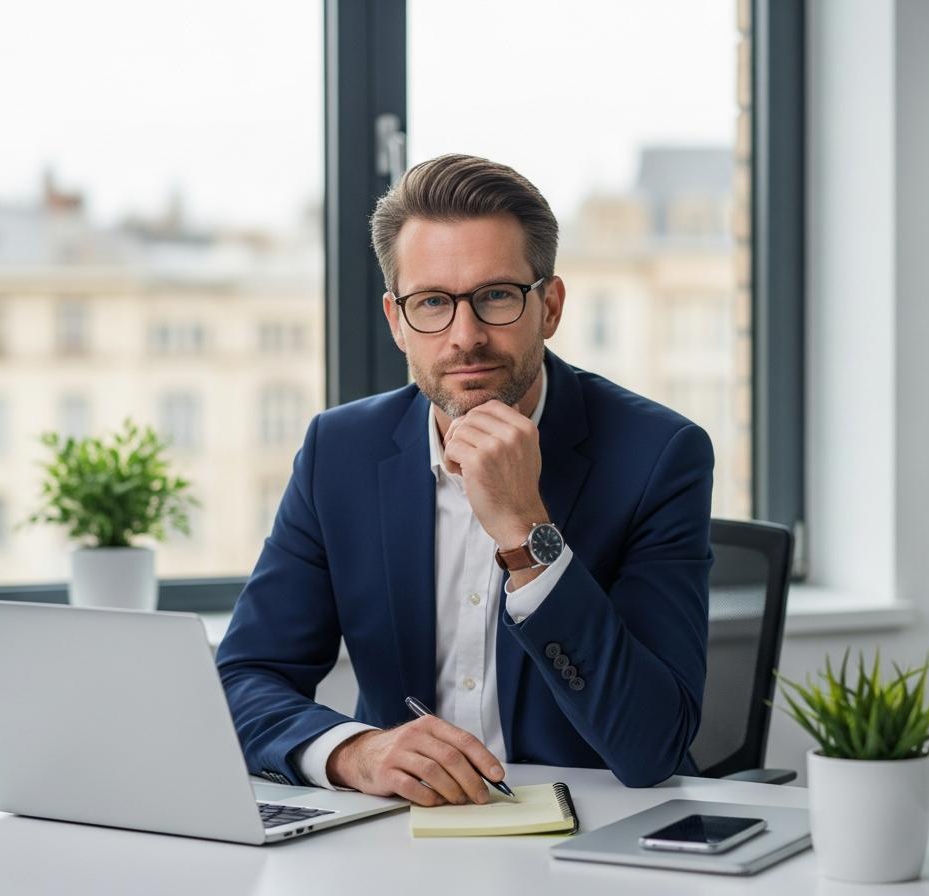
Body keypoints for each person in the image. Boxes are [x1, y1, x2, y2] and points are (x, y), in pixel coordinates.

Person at [217, 154, 713, 807]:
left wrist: (526, 532)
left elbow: (652, 745)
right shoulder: (338, 452)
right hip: (400, 834)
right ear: (397, 321)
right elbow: (245, 679)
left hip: (587, 834)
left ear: (551, 306)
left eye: (497, 297)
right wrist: (355, 751)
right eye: (432, 304)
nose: (465, 336)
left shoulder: (659, 455)